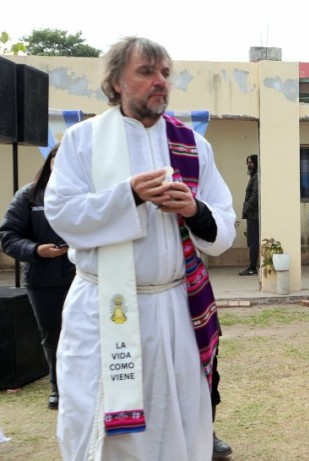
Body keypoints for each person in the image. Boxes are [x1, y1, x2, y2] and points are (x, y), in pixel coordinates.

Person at [43, 37, 236, 461]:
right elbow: (61, 213)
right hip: (104, 306)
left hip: (173, 308)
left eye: (165, 72)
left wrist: (194, 209)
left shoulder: (193, 145)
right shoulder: (84, 139)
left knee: (179, 416)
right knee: (106, 425)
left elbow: (224, 222)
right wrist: (127, 194)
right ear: (115, 83)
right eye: (146, 72)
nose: (160, 82)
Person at [0, 145, 75, 410]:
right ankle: (58, 387)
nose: (62, 162)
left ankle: (85, 387)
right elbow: (8, 236)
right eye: (57, 157)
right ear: (50, 161)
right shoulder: (29, 196)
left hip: (83, 277)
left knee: (85, 335)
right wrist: (36, 250)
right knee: (53, 335)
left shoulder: (85, 193)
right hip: (43, 280)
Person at [239, 154, 259, 276]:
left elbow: (254, 196)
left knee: (253, 242)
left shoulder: (256, 177)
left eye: (251, 162)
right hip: (251, 214)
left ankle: (252, 268)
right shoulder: (253, 177)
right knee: (252, 241)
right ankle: (252, 267)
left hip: (253, 214)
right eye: (248, 162)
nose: (249, 165)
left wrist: (246, 208)